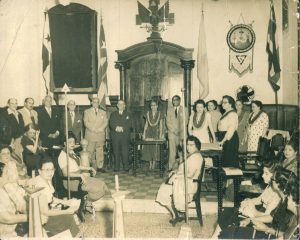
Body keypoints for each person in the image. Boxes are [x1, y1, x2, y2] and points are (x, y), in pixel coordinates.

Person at [216, 167, 299, 239]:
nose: (271, 180)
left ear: (278, 184)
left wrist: (266, 229)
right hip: (268, 229)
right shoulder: (283, 200)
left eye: (272, 178)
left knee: (228, 233)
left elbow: (288, 236)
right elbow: (272, 217)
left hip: (271, 234)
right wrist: (250, 219)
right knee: (227, 223)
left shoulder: (293, 209)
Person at [211, 160, 281, 238]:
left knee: (231, 218)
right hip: (258, 213)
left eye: (266, 173)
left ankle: (217, 237)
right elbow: (259, 199)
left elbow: (268, 217)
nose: (263, 175)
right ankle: (214, 237)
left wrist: (253, 211)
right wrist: (249, 201)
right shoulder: (270, 186)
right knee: (228, 212)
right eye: (263, 172)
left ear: (275, 175)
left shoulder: (277, 194)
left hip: (261, 223)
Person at [156, 136, 204, 226]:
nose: (188, 147)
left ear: (197, 146)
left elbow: (190, 175)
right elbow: (185, 171)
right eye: (187, 145)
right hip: (184, 182)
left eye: (191, 145)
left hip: (189, 185)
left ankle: (176, 215)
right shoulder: (193, 155)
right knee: (164, 188)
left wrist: (176, 176)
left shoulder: (196, 157)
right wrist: (175, 172)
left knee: (163, 190)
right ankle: (176, 214)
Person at [34, 157, 80, 237]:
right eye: (47, 170)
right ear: (39, 171)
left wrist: (65, 202)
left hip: (44, 215)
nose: (50, 172)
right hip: (41, 220)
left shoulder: (45, 179)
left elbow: (50, 198)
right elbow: (46, 212)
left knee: (71, 216)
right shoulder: (40, 185)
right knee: (69, 218)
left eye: (52, 169)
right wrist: (67, 211)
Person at [58, 134, 110, 202]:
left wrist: (90, 168)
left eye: (73, 142)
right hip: (72, 181)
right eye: (70, 142)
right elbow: (66, 174)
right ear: (65, 143)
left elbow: (77, 167)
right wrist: (80, 175)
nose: (72, 144)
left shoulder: (71, 152)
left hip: (80, 178)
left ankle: (87, 202)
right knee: (99, 190)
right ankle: (85, 202)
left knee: (102, 184)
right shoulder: (63, 156)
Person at [0, 162, 28, 238]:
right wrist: (31, 217)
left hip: (15, 231)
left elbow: (22, 206)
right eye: (7, 173)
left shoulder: (8, 187)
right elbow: (7, 218)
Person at [84, 97, 108, 172]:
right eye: (94, 102)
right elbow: (86, 122)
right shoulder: (87, 111)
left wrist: (100, 129)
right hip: (91, 134)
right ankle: (89, 166)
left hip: (100, 134)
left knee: (100, 151)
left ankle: (100, 166)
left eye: (97, 102)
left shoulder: (103, 112)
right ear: (91, 103)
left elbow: (105, 122)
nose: (96, 103)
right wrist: (94, 129)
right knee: (89, 151)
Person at [109, 100, 132, 172]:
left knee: (125, 151)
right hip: (115, 136)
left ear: (124, 106)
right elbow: (111, 123)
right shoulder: (113, 114)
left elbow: (130, 124)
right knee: (116, 151)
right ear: (117, 106)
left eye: (122, 104)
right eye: (119, 104)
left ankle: (126, 167)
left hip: (125, 136)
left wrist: (122, 128)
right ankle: (116, 167)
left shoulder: (129, 114)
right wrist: (116, 128)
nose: (121, 105)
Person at [166, 95, 188, 170]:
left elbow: (185, 122)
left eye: (176, 100)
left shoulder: (184, 109)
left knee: (181, 151)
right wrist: (174, 131)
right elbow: (168, 122)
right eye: (173, 100)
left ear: (180, 100)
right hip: (172, 134)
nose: (175, 101)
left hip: (181, 134)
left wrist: (179, 130)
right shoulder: (169, 110)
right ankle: (171, 167)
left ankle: (182, 168)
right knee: (172, 152)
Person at [142, 100, 165, 170]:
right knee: (148, 148)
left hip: (156, 132)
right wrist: (144, 133)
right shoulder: (148, 113)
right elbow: (146, 124)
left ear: (157, 106)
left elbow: (161, 125)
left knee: (155, 148)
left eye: (154, 105)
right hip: (149, 132)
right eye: (152, 105)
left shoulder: (160, 113)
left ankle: (154, 163)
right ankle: (150, 163)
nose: (153, 107)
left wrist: (161, 134)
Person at [218, 95, 239, 167]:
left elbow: (231, 129)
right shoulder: (226, 112)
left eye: (225, 102)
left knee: (229, 160)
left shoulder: (232, 114)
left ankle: (230, 177)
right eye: (222, 102)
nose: (222, 104)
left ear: (230, 104)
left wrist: (223, 140)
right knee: (225, 160)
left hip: (229, 139)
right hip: (225, 137)